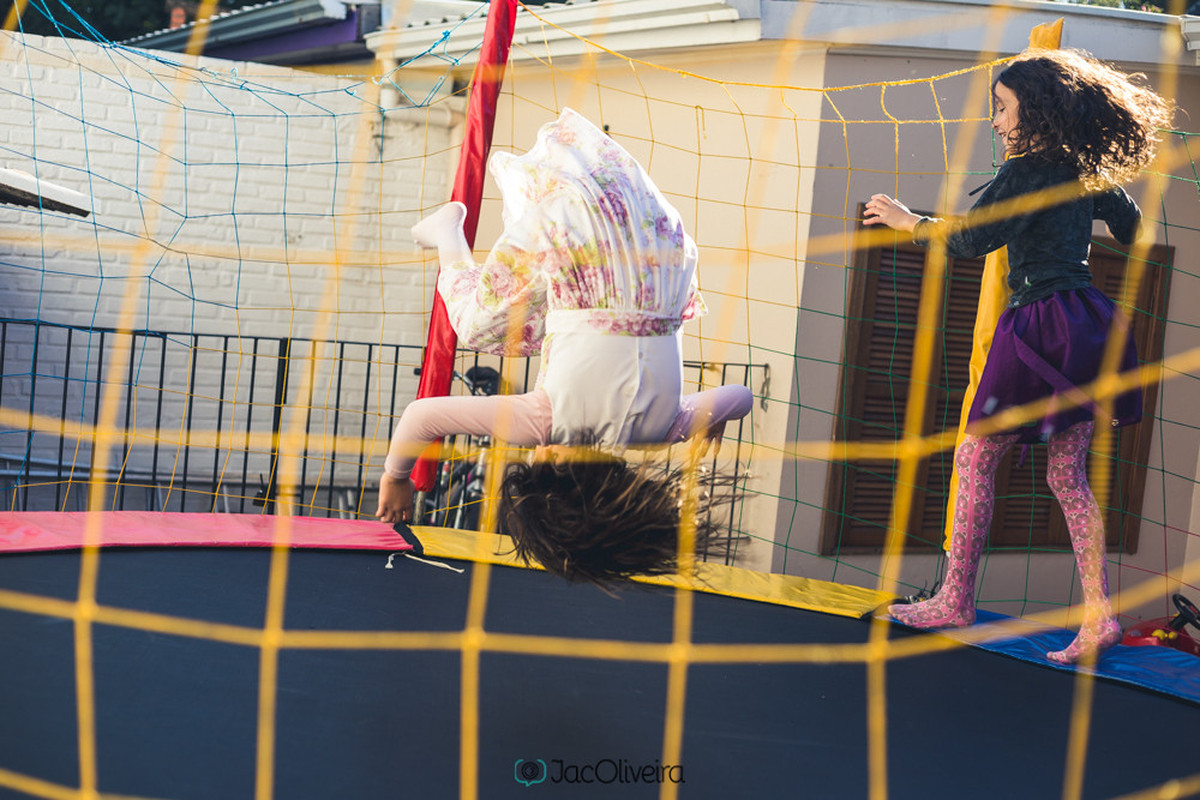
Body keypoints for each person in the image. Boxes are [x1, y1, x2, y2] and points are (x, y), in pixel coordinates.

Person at [863, 48, 1172, 664]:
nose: (997, 123)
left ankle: (956, 598)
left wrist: (906, 220)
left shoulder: (1026, 170)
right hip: (1089, 321)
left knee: (976, 454)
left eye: (1002, 109)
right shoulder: (1083, 167)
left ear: (1036, 109)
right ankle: (1098, 618)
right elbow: (1133, 229)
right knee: (1067, 475)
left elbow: (972, 239)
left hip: (1040, 322)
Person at [376, 107, 754, 586]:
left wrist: (714, 417)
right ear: (549, 460)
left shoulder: (667, 427)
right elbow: (422, 416)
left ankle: (477, 239)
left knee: (530, 328)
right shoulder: (542, 421)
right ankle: (447, 231)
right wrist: (396, 478)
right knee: (476, 327)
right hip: (583, 247)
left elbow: (742, 396)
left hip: (656, 245)